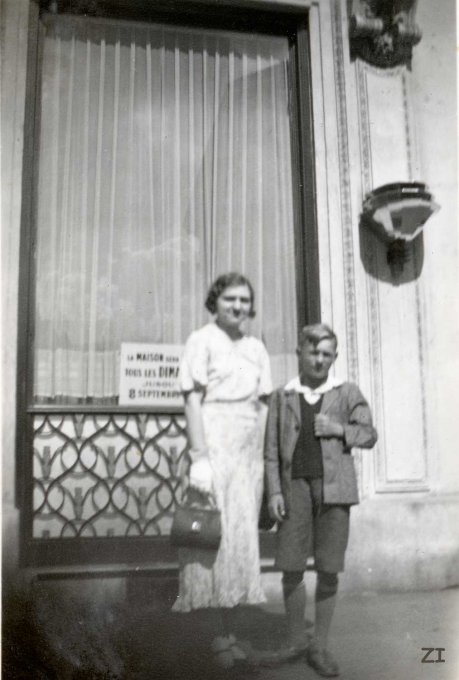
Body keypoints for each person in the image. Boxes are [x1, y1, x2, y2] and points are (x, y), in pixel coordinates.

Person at [264, 323, 377, 677]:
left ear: (334, 358)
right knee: (291, 566)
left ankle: (320, 647)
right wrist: (275, 492)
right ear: (299, 352)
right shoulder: (283, 396)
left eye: (326, 354)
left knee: (328, 568)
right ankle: (296, 639)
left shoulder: (346, 393)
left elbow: (370, 434)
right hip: (293, 489)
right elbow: (269, 452)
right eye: (313, 352)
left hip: (334, 492)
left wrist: (340, 429)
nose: (319, 360)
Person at [172, 272, 272, 669]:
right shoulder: (202, 340)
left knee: (240, 544)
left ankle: (233, 632)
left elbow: (262, 406)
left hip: (246, 455)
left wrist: (261, 461)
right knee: (211, 542)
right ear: (215, 301)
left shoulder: (256, 348)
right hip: (212, 447)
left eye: (245, 300)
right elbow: (192, 400)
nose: (238, 306)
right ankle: (216, 636)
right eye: (230, 298)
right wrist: (199, 457)